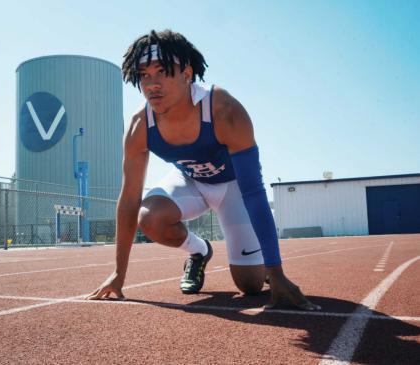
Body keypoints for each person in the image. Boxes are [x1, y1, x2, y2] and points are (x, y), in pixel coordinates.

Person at [87, 29, 320, 311]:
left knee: (249, 286)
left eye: (162, 71)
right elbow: (129, 198)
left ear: (187, 73)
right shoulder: (140, 125)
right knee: (148, 217)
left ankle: (261, 269)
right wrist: (118, 274)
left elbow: (254, 192)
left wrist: (277, 270)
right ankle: (199, 251)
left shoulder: (225, 111)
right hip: (191, 181)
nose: (152, 84)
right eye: (144, 75)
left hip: (233, 188)